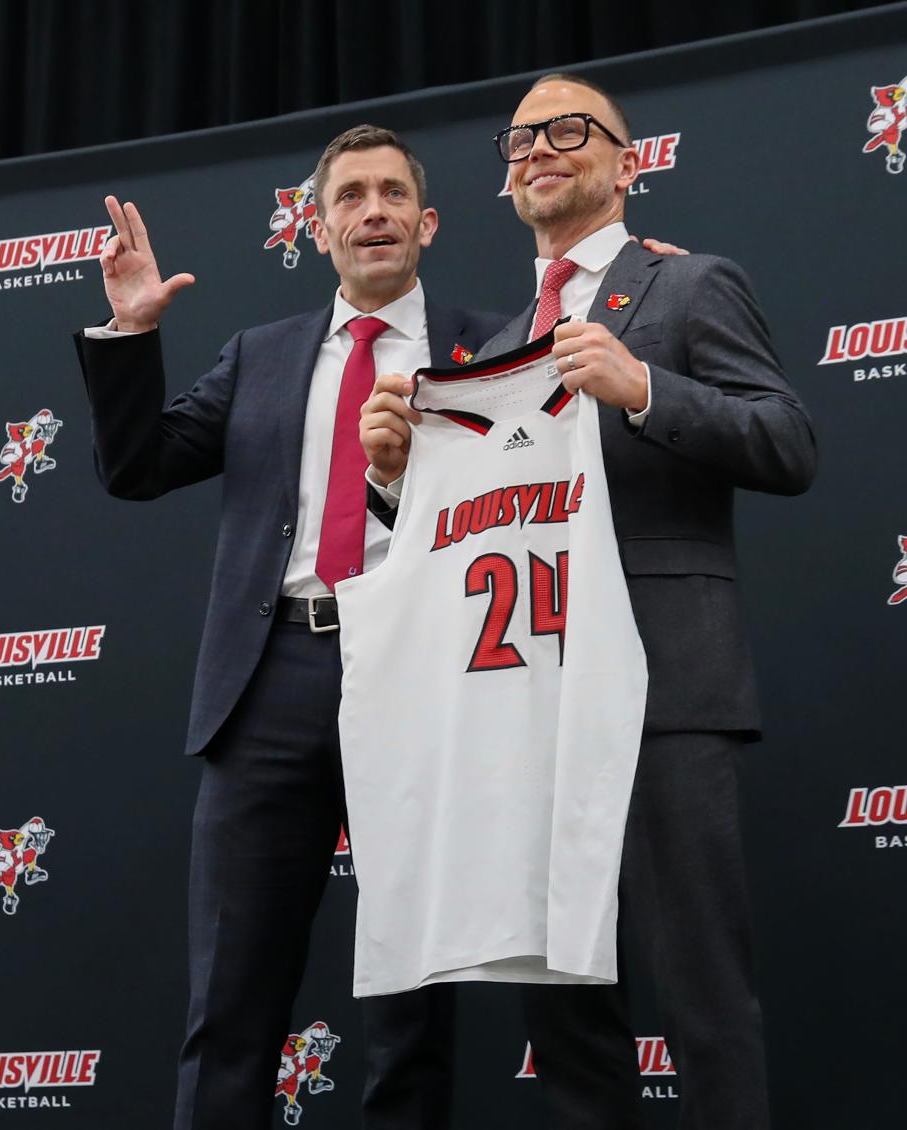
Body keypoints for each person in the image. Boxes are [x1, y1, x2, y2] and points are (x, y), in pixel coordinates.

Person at [361, 75, 817, 1130]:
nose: (538, 151)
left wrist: (646, 387)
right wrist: (395, 477)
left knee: (701, 988)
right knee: (562, 1005)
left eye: (568, 130)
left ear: (628, 160)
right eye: (519, 140)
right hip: (532, 698)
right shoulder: (501, 340)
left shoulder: (691, 286)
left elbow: (790, 442)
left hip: (664, 686)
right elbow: (474, 528)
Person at [73, 124, 508, 1130]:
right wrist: (131, 332)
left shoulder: (490, 349)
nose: (374, 210)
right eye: (350, 195)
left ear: (427, 222)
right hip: (269, 682)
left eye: (393, 193)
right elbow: (136, 468)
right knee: (230, 1003)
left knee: (410, 1013)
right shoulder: (259, 356)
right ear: (319, 230)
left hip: (424, 680)